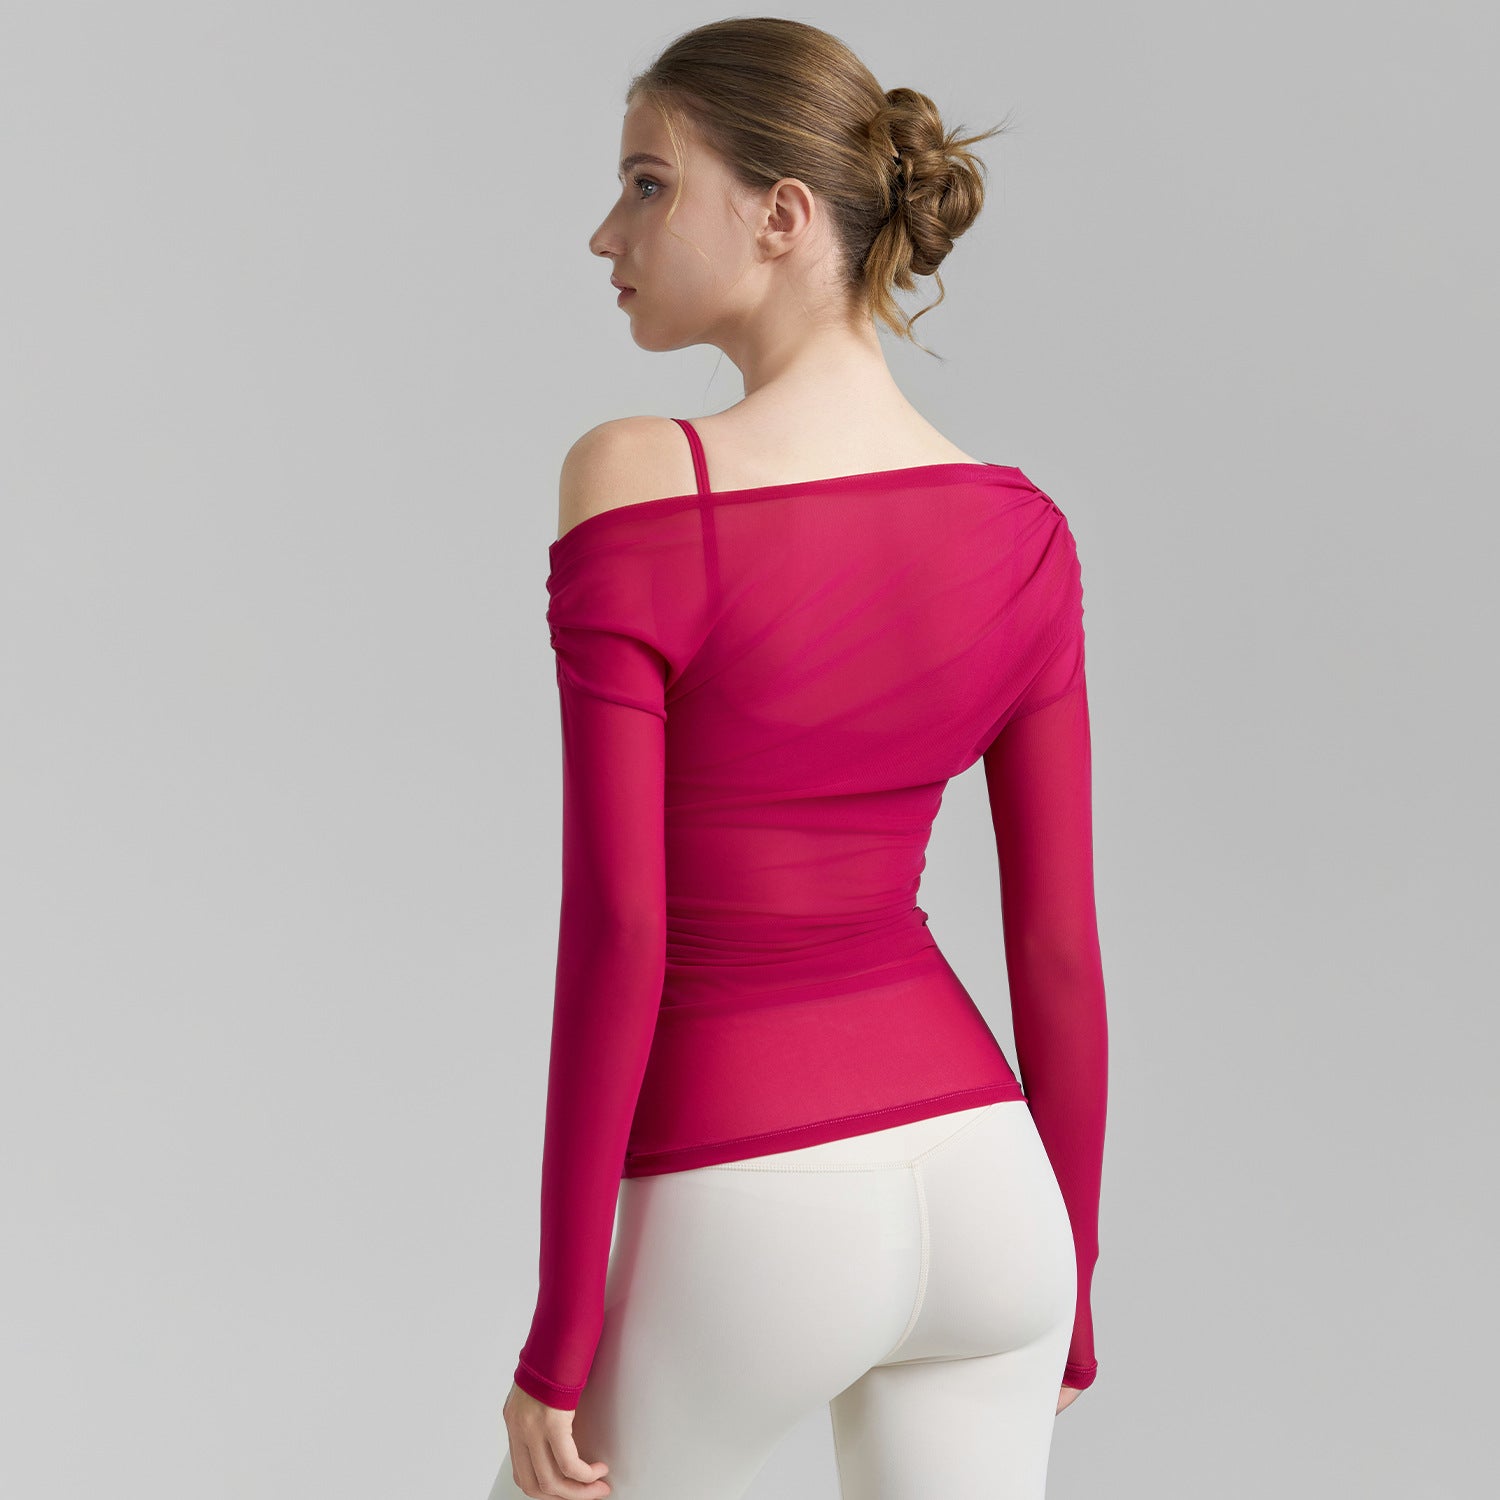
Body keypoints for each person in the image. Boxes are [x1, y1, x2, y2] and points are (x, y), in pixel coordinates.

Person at [494, 17, 1108, 1500]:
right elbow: (1058, 947)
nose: (606, 232)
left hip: (747, 1189)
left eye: (649, 184)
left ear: (781, 215)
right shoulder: (1023, 531)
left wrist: (562, 1329)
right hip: (994, 1197)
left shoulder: (643, 479)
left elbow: (622, 927)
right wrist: (1073, 1276)